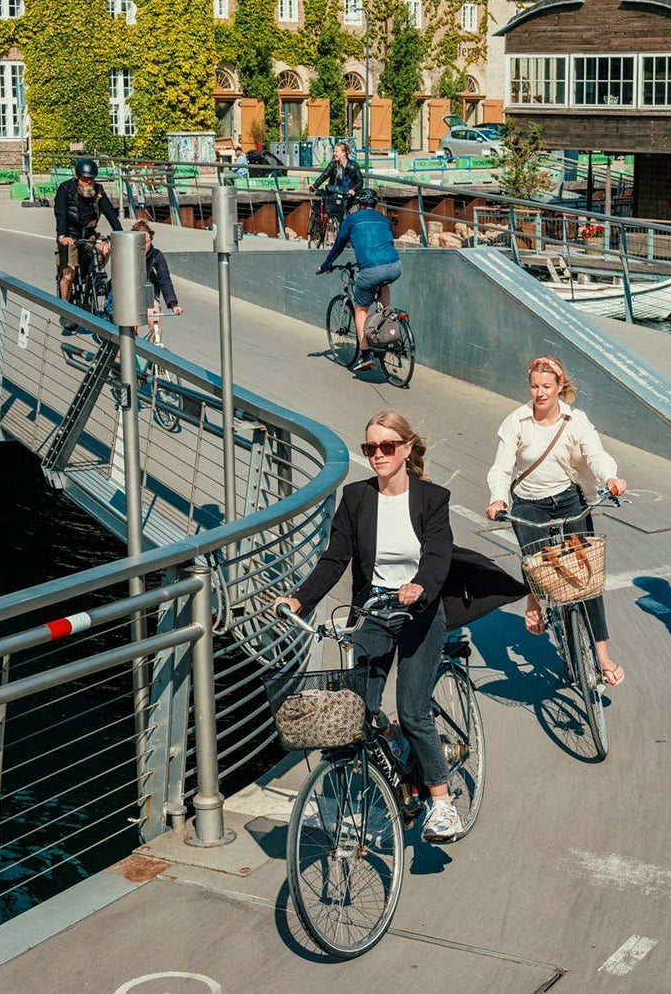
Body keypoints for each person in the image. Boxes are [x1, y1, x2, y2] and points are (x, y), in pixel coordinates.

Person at [272, 411, 464, 842]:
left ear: (406, 449)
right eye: (370, 448)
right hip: (374, 610)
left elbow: (438, 555)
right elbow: (334, 559)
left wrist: (420, 586)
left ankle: (441, 804)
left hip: (419, 612)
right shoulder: (357, 498)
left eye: (387, 447)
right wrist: (300, 599)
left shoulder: (431, 499)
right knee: (360, 709)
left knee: (414, 709)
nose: (378, 455)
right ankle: (394, 743)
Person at [486, 355, 628, 687]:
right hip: (528, 500)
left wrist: (611, 477)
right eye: (534, 387)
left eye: (546, 387)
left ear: (559, 386)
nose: (540, 393)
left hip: (569, 497)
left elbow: (595, 453)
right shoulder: (516, 422)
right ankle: (534, 602)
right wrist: (498, 498)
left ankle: (603, 657)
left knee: (585, 576)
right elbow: (503, 466)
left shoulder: (575, 419)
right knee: (533, 557)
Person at [318, 186, 400, 372]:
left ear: (359, 204)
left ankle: (365, 354)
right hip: (395, 265)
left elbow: (338, 246)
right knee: (383, 282)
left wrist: (326, 265)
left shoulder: (351, 220)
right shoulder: (384, 220)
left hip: (371, 270)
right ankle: (387, 316)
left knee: (361, 309)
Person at [53, 158, 122, 324]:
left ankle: (92, 275)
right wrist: (63, 236)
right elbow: (61, 213)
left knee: (106, 249)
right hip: (70, 236)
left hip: (89, 235)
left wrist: (120, 234)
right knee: (68, 276)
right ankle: (65, 309)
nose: (89, 182)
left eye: (91, 178)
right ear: (77, 177)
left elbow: (110, 213)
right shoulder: (65, 189)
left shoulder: (97, 191)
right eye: (85, 179)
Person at [131, 221, 182, 315]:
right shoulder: (128, 255)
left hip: (150, 297)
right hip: (129, 296)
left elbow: (164, 279)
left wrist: (173, 304)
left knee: (154, 319)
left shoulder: (157, 256)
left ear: (151, 240)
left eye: (146, 242)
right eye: (140, 242)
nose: (144, 246)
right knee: (129, 325)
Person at [310, 140, 362, 226]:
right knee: (339, 223)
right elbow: (324, 175)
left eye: (336, 151)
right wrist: (314, 185)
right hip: (337, 198)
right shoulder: (333, 165)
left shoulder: (354, 166)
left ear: (344, 153)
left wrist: (353, 190)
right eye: (334, 151)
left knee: (353, 223)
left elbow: (360, 181)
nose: (334, 153)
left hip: (350, 198)